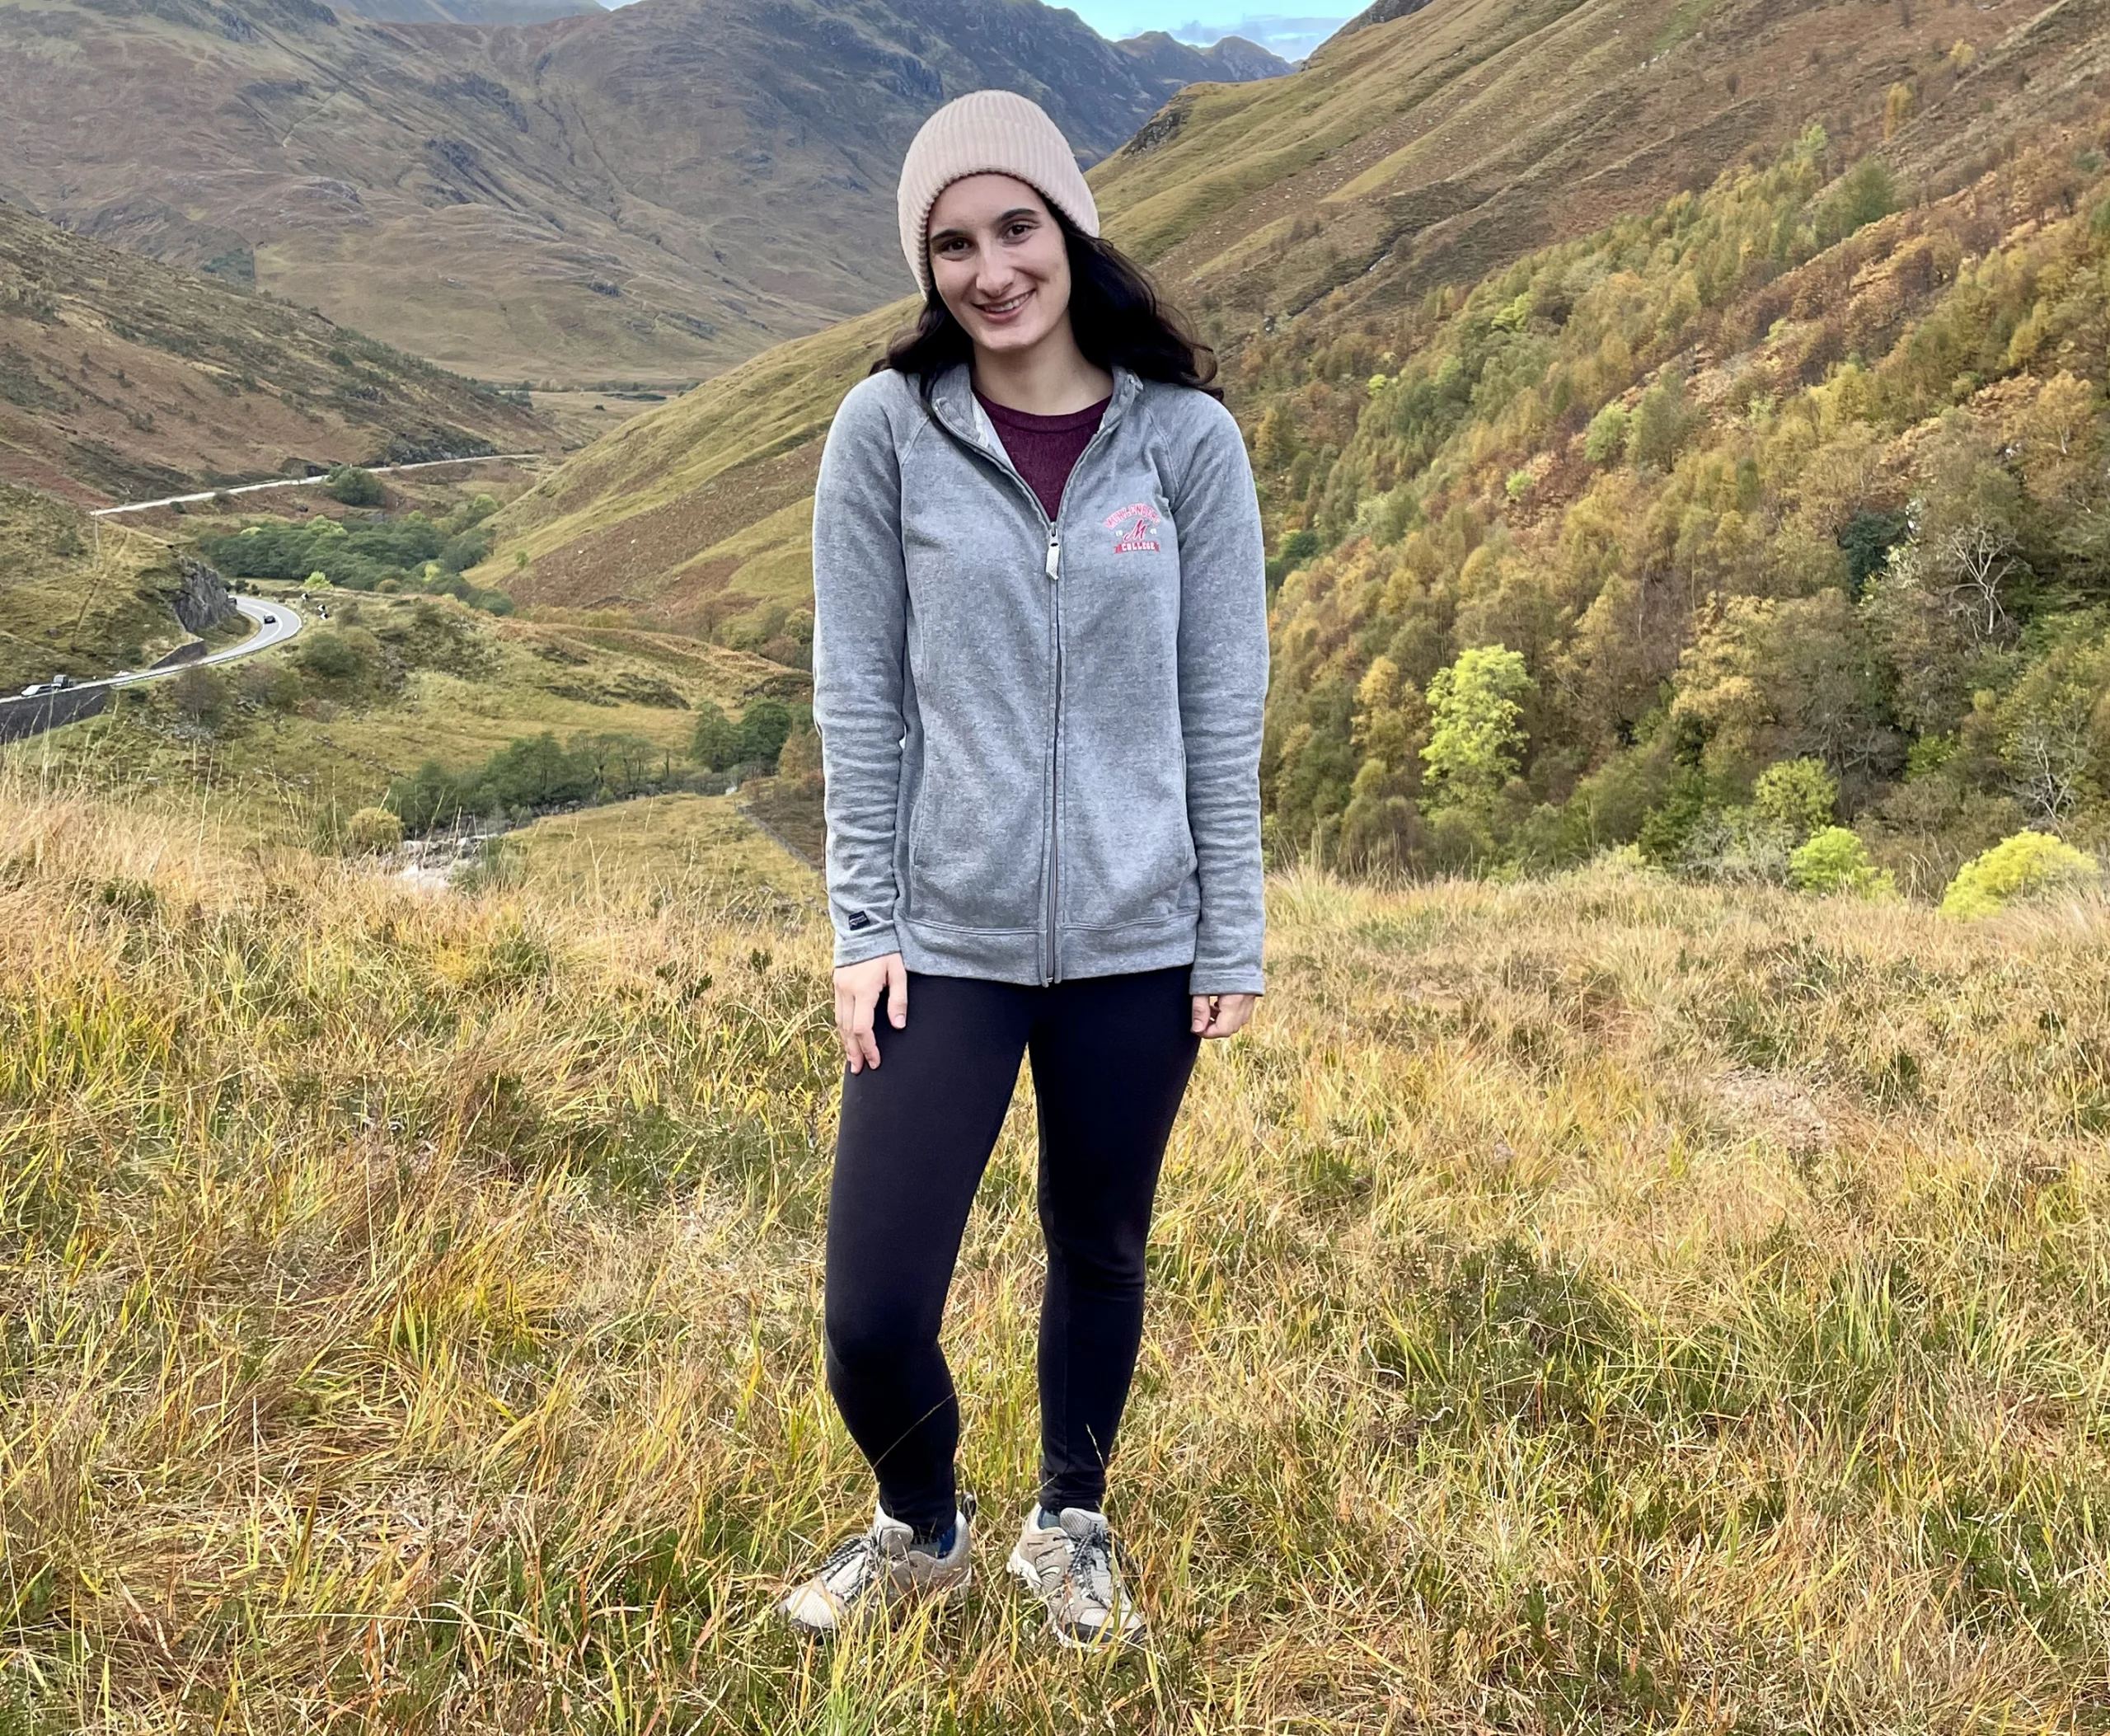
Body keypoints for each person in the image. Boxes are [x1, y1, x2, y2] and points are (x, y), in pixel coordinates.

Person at [781, 88, 1268, 1649]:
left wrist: (1228, 930)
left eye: (1016, 227)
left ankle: (1071, 1518)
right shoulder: (886, 432)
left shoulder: (1185, 442)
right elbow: (858, 699)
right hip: (947, 938)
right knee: (871, 1308)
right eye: (953, 245)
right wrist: (863, 924)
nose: (992, 270)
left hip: (1139, 936)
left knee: (1100, 1245)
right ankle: (921, 1519)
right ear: (925, 270)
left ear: (1070, 229)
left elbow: (1221, 703)